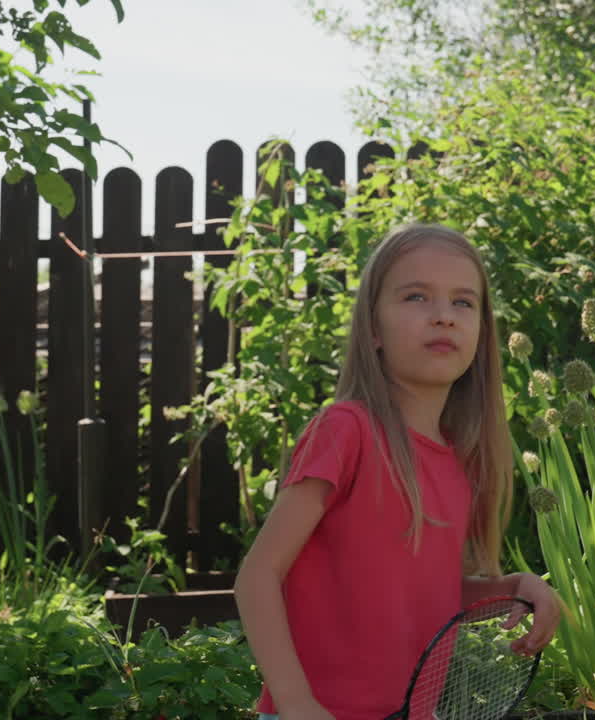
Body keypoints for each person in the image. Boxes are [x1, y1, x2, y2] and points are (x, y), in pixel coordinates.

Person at [234, 222, 563, 720]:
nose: (443, 317)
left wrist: (514, 588)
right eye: (415, 297)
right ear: (372, 328)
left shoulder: (459, 462)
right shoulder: (347, 432)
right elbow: (258, 576)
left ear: (481, 332)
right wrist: (298, 703)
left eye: (463, 302)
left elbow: (427, 598)